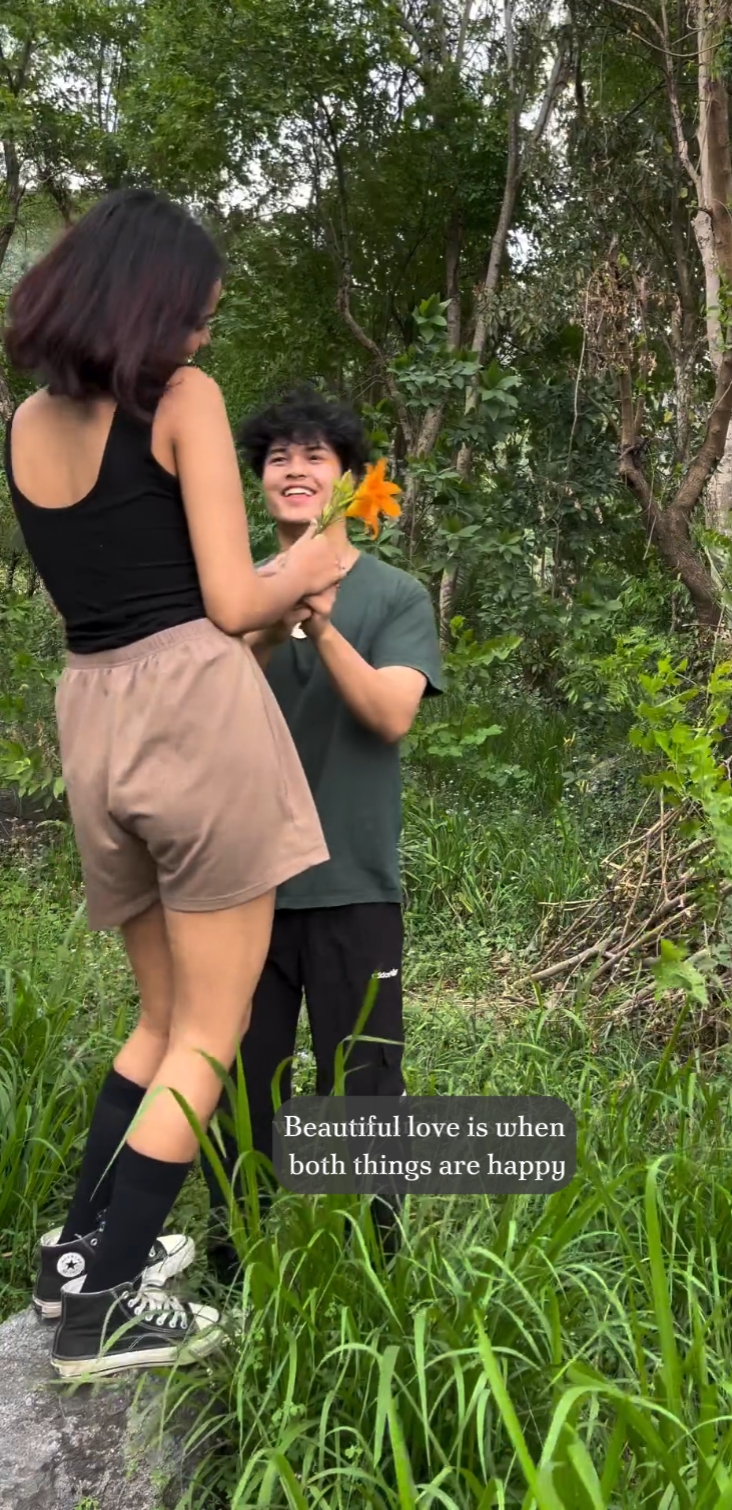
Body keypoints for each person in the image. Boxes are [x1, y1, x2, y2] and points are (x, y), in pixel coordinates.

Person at [2, 190, 345, 1378]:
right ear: (150, 305)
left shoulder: (25, 423)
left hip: (95, 717)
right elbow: (229, 603)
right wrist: (314, 558)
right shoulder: (182, 399)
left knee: (157, 1019)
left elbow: (131, 590)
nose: (202, 336)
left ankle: (76, 1258)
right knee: (212, 1030)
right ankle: (104, 1310)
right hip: (196, 718)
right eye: (197, 312)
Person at [202, 389, 442, 1279]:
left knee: (367, 1084)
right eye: (277, 458)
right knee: (240, 1085)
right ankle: (234, 1270)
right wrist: (271, 617)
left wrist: (322, 622)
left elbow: (391, 714)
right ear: (260, 481)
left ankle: (374, 1270)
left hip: (354, 884)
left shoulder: (395, 595)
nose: (294, 470)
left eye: (314, 456)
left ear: (348, 480)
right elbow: (202, 714)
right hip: (243, 884)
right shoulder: (230, 592)